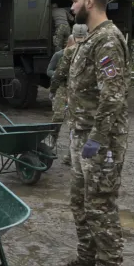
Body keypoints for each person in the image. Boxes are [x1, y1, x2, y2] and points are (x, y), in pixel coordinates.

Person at [52, 0, 130, 266]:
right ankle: (87, 257)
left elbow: (112, 97)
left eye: (74, 0)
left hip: (101, 141)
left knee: (100, 203)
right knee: (80, 201)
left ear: (90, 3)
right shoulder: (91, 39)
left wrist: (96, 139)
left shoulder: (108, 39)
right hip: (81, 134)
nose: (70, 6)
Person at [48, 24, 89, 166]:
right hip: (64, 89)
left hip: (80, 91)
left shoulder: (91, 51)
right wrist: (53, 90)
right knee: (59, 116)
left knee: (75, 122)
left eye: (81, 37)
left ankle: (72, 154)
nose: (79, 41)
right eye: (77, 38)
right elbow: (57, 74)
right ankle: (52, 139)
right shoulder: (64, 53)